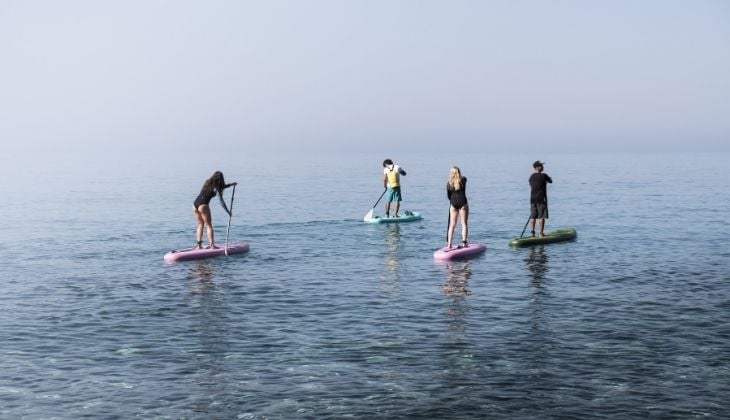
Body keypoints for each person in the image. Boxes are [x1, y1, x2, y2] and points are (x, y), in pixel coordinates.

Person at [193, 171, 237, 248]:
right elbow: (221, 201)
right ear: (221, 180)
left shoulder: (207, 182)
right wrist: (228, 211)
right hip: (203, 206)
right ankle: (212, 245)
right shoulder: (217, 188)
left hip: (195, 205)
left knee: (200, 225)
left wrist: (231, 185)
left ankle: (199, 245)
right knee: (209, 225)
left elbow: (221, 187)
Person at [446, 166, 469, 249]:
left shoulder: (449, 183)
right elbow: (464, 178)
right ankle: (464, 243)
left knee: (452, 225)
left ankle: (449, 244)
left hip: (453, 203)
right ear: (459, 172)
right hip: (463, 203)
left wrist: (452, 202)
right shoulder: (463, 180)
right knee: (464, 224)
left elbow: (448, 196)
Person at [528, 161, 552, 238]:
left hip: (532, 199)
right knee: (541, 217)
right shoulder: (544, 175)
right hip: (541, 199)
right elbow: (551, 181)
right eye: (541, 165)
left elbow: (533, 185)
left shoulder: (531, 176)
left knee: (532, 217)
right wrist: (547, 180)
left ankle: (532, 233)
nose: (543, 167)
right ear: (537, 167)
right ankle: (541, 234)